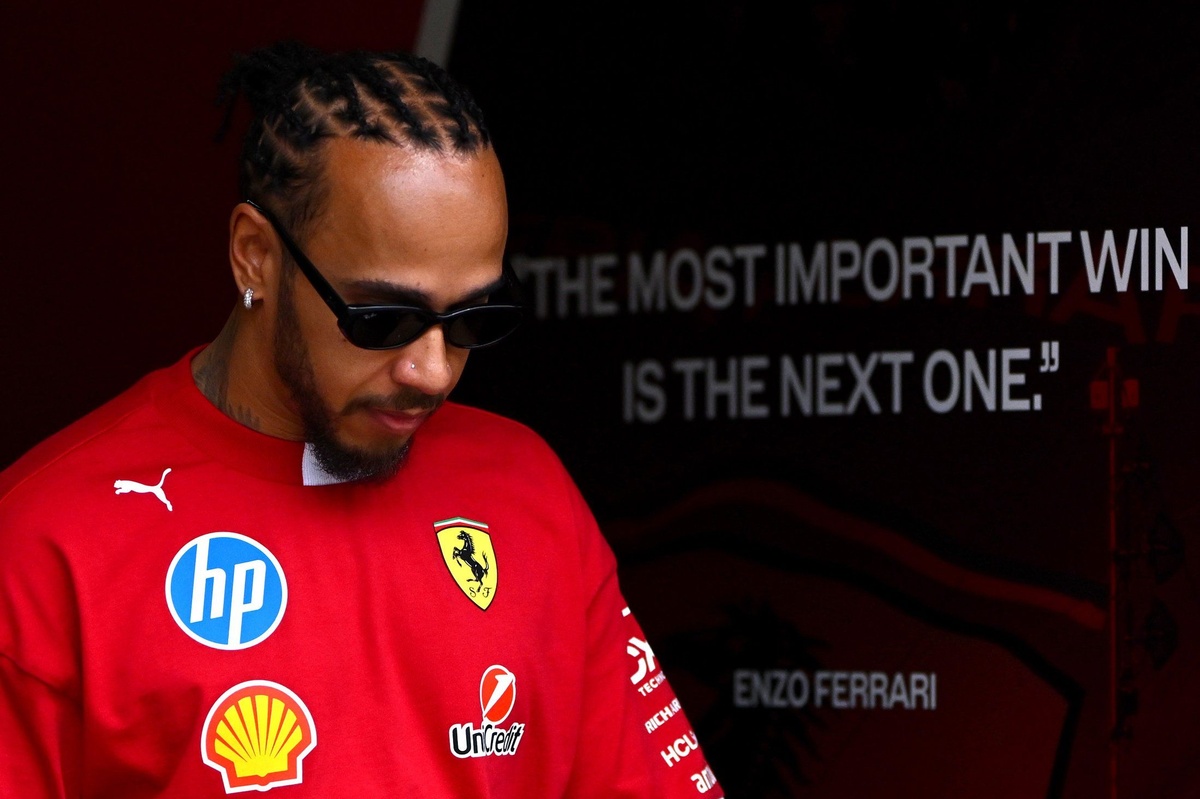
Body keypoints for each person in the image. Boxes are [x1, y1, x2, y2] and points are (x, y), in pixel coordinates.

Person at [0, 42, 720, 798]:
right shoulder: (45, 544)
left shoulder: (527, 490)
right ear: (255, 256)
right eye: (383, 319)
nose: (432, 371)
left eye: (473, 318)